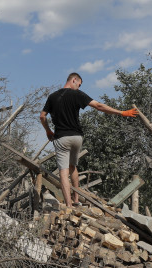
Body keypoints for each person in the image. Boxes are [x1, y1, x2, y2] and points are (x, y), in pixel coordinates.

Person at [40, 72, 138, 207]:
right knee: (73, 167)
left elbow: (42, 117)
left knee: (63, 171)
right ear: (74, 80)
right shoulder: (78, 95)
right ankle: (76, 200)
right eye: (78, 85)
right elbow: (98, 106)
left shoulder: (52, 97)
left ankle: (69, 206)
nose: (79, 88)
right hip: (77, 137)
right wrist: (121, 112)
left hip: (61, 138)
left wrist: (48, 131)